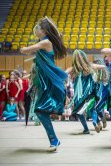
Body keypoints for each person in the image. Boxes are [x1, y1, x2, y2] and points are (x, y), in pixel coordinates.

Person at [20, 16, 68, 152]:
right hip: (43, 81)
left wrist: (23, 49)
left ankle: (54, 140)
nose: (37, 30)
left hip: (48, 82)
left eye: (39, 28)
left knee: (40, 111)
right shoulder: (43, 42)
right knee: (41, 111)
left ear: (45, 31)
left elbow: (26, 50)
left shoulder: (46, 42)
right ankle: (54, 140)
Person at [66, 50, 106, 134]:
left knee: (79, 112)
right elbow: (102, 66)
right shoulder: (90, 66)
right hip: (90, 94)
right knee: (92, 109)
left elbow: (63, 73)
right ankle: (95, 122)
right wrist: (99, 74)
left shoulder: (74, 69)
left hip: (80, 96)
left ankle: (86, 129)